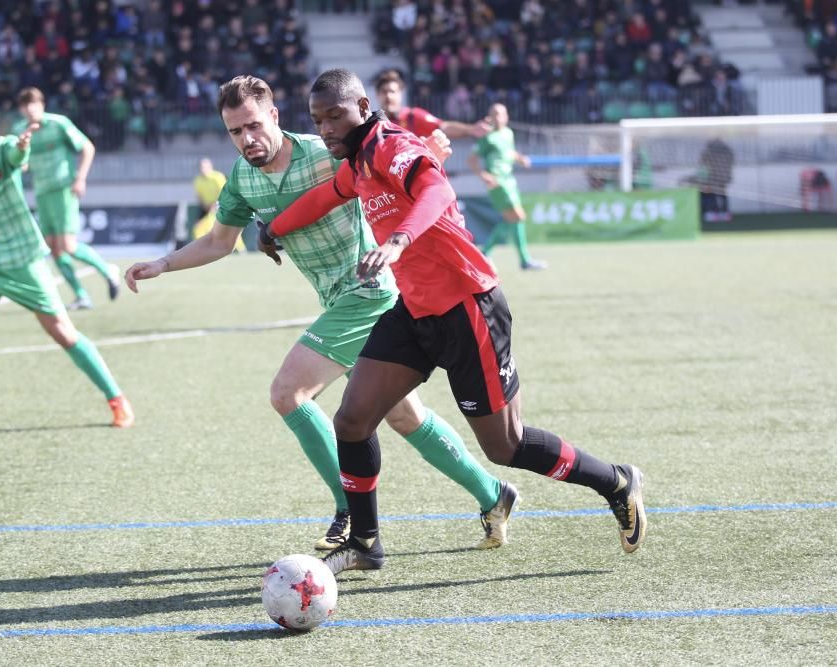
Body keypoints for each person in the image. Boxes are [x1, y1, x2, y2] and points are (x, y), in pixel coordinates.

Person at [263, 69, 646, 574]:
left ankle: (616, 481)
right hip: (416, 311)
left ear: (361, 107)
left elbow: (436, 191)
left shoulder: (388, 146)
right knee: (352, 420)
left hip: (469, 307)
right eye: (318, 120)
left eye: (335, 116)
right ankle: (365, 542)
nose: (327, 128)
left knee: (505, 445)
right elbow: (326, 196)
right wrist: (275, 227)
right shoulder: (356, 164)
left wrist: (397, 241)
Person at [125, 75, 519, 552]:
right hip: (337, 300)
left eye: (253, 125)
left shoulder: (328, 149)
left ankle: (349, 511)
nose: (246, 139)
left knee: (289, 393)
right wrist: (165, 263)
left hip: (372, 291)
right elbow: (217, 242)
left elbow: (399, 160)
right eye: (234, 131)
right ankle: (493, 494)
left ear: (274, 115)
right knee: (404, 417)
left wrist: (430, 148)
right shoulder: (243, 179)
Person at [0, 90, 135, 429]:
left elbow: (17, 157)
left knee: (63, 333)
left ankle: (116, 398)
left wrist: (21, 149)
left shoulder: (4, 148)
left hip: (24, 259)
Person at [14, 87, 120, 311]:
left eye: (33, 103)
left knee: (68, 245)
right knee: (53, 249)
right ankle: (81, 296)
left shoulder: (58, 124)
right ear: (21, 109)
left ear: (42, 104)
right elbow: (20, 162)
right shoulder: (20, 130)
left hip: (63, 190)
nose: (30, 109)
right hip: (41, 193)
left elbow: (87, 148)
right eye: (25, 105)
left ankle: (107, 270)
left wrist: (80, 178)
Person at [468, 102, 546, 270]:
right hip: (498, 182)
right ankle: (522, 260)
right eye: (494, 113)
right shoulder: (486, 137)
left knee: (512, 219)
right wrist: (484, 175)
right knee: (518, 216)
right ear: (490, 116)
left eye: (500, 114)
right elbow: (472, 160)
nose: (497, 117)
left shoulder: (508, 133)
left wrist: (520, 159)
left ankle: (487, 252)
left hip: (509, 180)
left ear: (506, 117)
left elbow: (509, 152)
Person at [373, 68, 485, 139]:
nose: (388, 96)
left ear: (401, 93)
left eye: (392, 91)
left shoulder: (413, 116)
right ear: (377, 95)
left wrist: (471, 129)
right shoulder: (372, 127)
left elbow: (443, 127)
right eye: (384, 92)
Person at [191, 156, 245, 252]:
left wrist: (214, 205)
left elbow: (224, 193)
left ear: (210, 166)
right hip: (206, 208)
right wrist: (206, 206)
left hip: (222, 205)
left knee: (229, 228)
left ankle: (241, 249)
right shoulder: (197, 180)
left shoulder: (218, 177)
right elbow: (199, 196)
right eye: (201, 167)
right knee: (198, 228)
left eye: (205, 166)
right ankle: (200, 250)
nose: (203, 169)